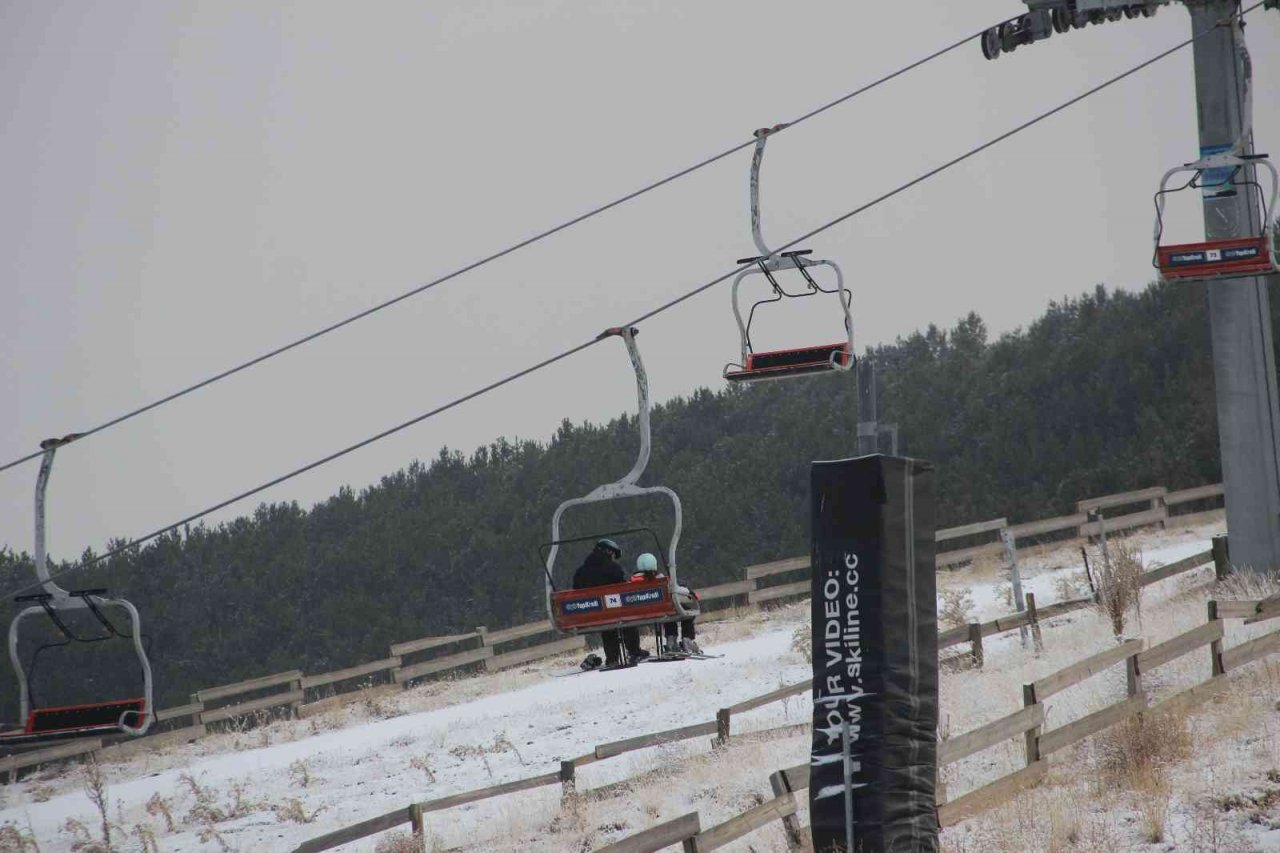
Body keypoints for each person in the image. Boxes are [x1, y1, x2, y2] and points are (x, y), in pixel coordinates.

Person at [572, 539, 647, 666]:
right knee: (624, 617)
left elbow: (576, 590)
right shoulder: (613, 569)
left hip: (590, 614)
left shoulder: (580, 572)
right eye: (613, 555)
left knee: (607, 623)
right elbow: (623, 590)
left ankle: (612, 658)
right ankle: (634, 651)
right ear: (608, 552)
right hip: (615, 612)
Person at [631, 552, 702, 655]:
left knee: (668, 613)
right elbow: (675, 588)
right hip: (664, 609)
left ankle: (670, 643)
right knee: (681, 611)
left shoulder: (633, 582)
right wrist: (689, 592)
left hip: (643, 612)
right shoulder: (660, 579)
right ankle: (686, 639)